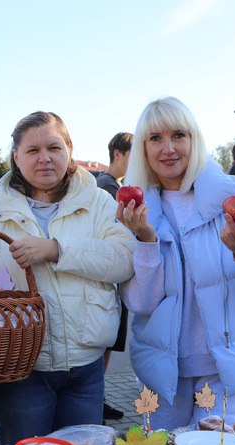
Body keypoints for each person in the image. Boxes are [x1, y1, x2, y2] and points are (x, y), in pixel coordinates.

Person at [116, 97, 235, 430]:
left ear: (194, 140)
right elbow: (141, 302)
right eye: (155, 138)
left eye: (179, 135)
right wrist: (145, 241)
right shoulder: (135, 212)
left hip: (229, 370)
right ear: (143, 147)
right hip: (163, 373)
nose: (168, 148)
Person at [0, 111, 135, 445]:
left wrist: (56, 249)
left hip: (85, 369)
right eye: (32, 150)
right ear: (16, 156)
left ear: (69, 149)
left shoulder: (99, 202)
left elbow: (124, 259)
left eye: (54, 147)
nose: (44, 158)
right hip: (18, 372)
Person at [96, 132, 134, 420]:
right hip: (107, 280)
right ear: (118, 154)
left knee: (111, 342)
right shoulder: (107, 189)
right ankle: (97, 397)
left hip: (115, 280)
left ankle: (99, 395)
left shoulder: (117, 186)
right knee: (105, 342)